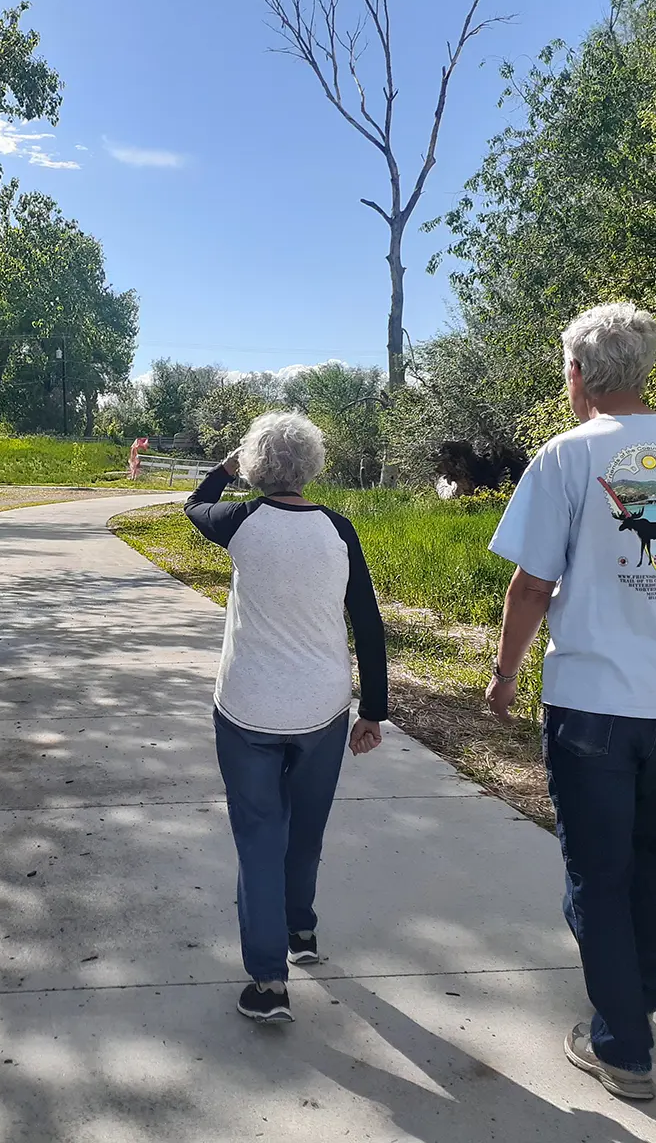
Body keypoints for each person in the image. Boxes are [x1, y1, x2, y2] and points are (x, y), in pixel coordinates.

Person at [484, 302, 656, 1101]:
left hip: (591, 708)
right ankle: (636, 999)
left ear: (576, 375)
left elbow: (533, 584)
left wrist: (505, 672)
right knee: (646, 851)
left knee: (597, 871)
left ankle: (622, 1045)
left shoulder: (566, 458)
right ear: (645, 371)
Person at [184, 411, 389, 1025]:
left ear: (254, 468)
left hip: (247, 707)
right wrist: (374, 710)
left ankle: (269, 983)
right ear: (312, 466)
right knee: (305, 830)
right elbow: (368, 624)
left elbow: (194, 505)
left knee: (258, 836)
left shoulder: (240, 522)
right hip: (323, 710)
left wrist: (224, 470)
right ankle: (302, 930)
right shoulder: (338, 529)